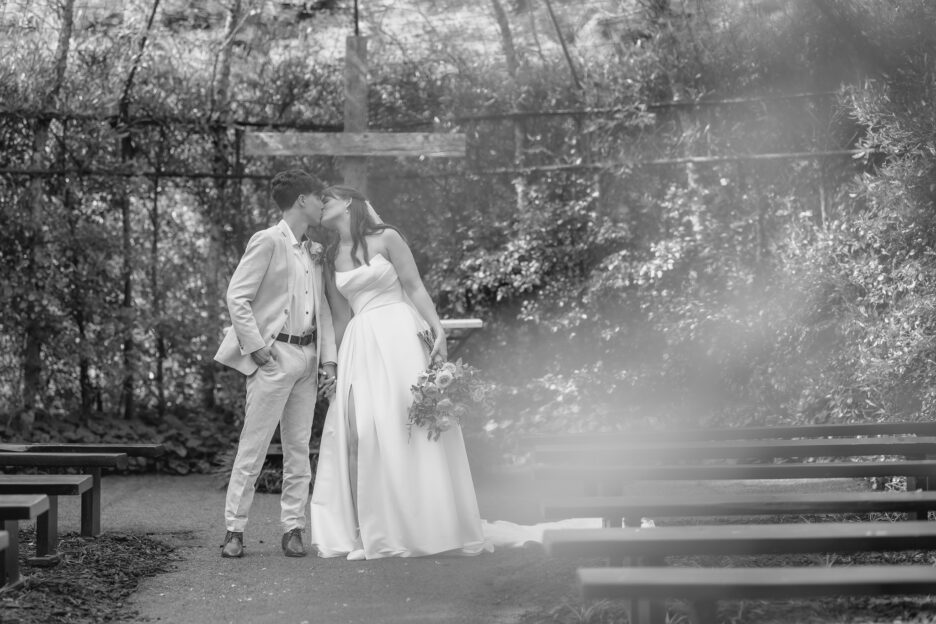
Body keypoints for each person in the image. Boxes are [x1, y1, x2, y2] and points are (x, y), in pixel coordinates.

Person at [308, 185, 488, 559]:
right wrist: (334, 368)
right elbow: (341, 317)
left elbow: (415, 287)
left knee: (411, 429)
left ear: (349, 203)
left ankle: (433, 524)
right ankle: (365, 535)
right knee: (358, 434)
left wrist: (437, 329)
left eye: (329, 197)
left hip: (402, 336)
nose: (323, 202)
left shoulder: (387, 237)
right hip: (360, 342)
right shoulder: (328, 257)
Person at [214, 169, 338, 558]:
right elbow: (238, 296)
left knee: (299, 447)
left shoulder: (314, 250)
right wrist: (256, 348)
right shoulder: (267, 240)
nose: (323, 205)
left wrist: (327, 361)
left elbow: (324, 312)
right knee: (253, 447)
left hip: (308, 356)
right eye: (319, 197)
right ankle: (234, 530)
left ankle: (294, 528)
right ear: (302, 200)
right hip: (273, 356)